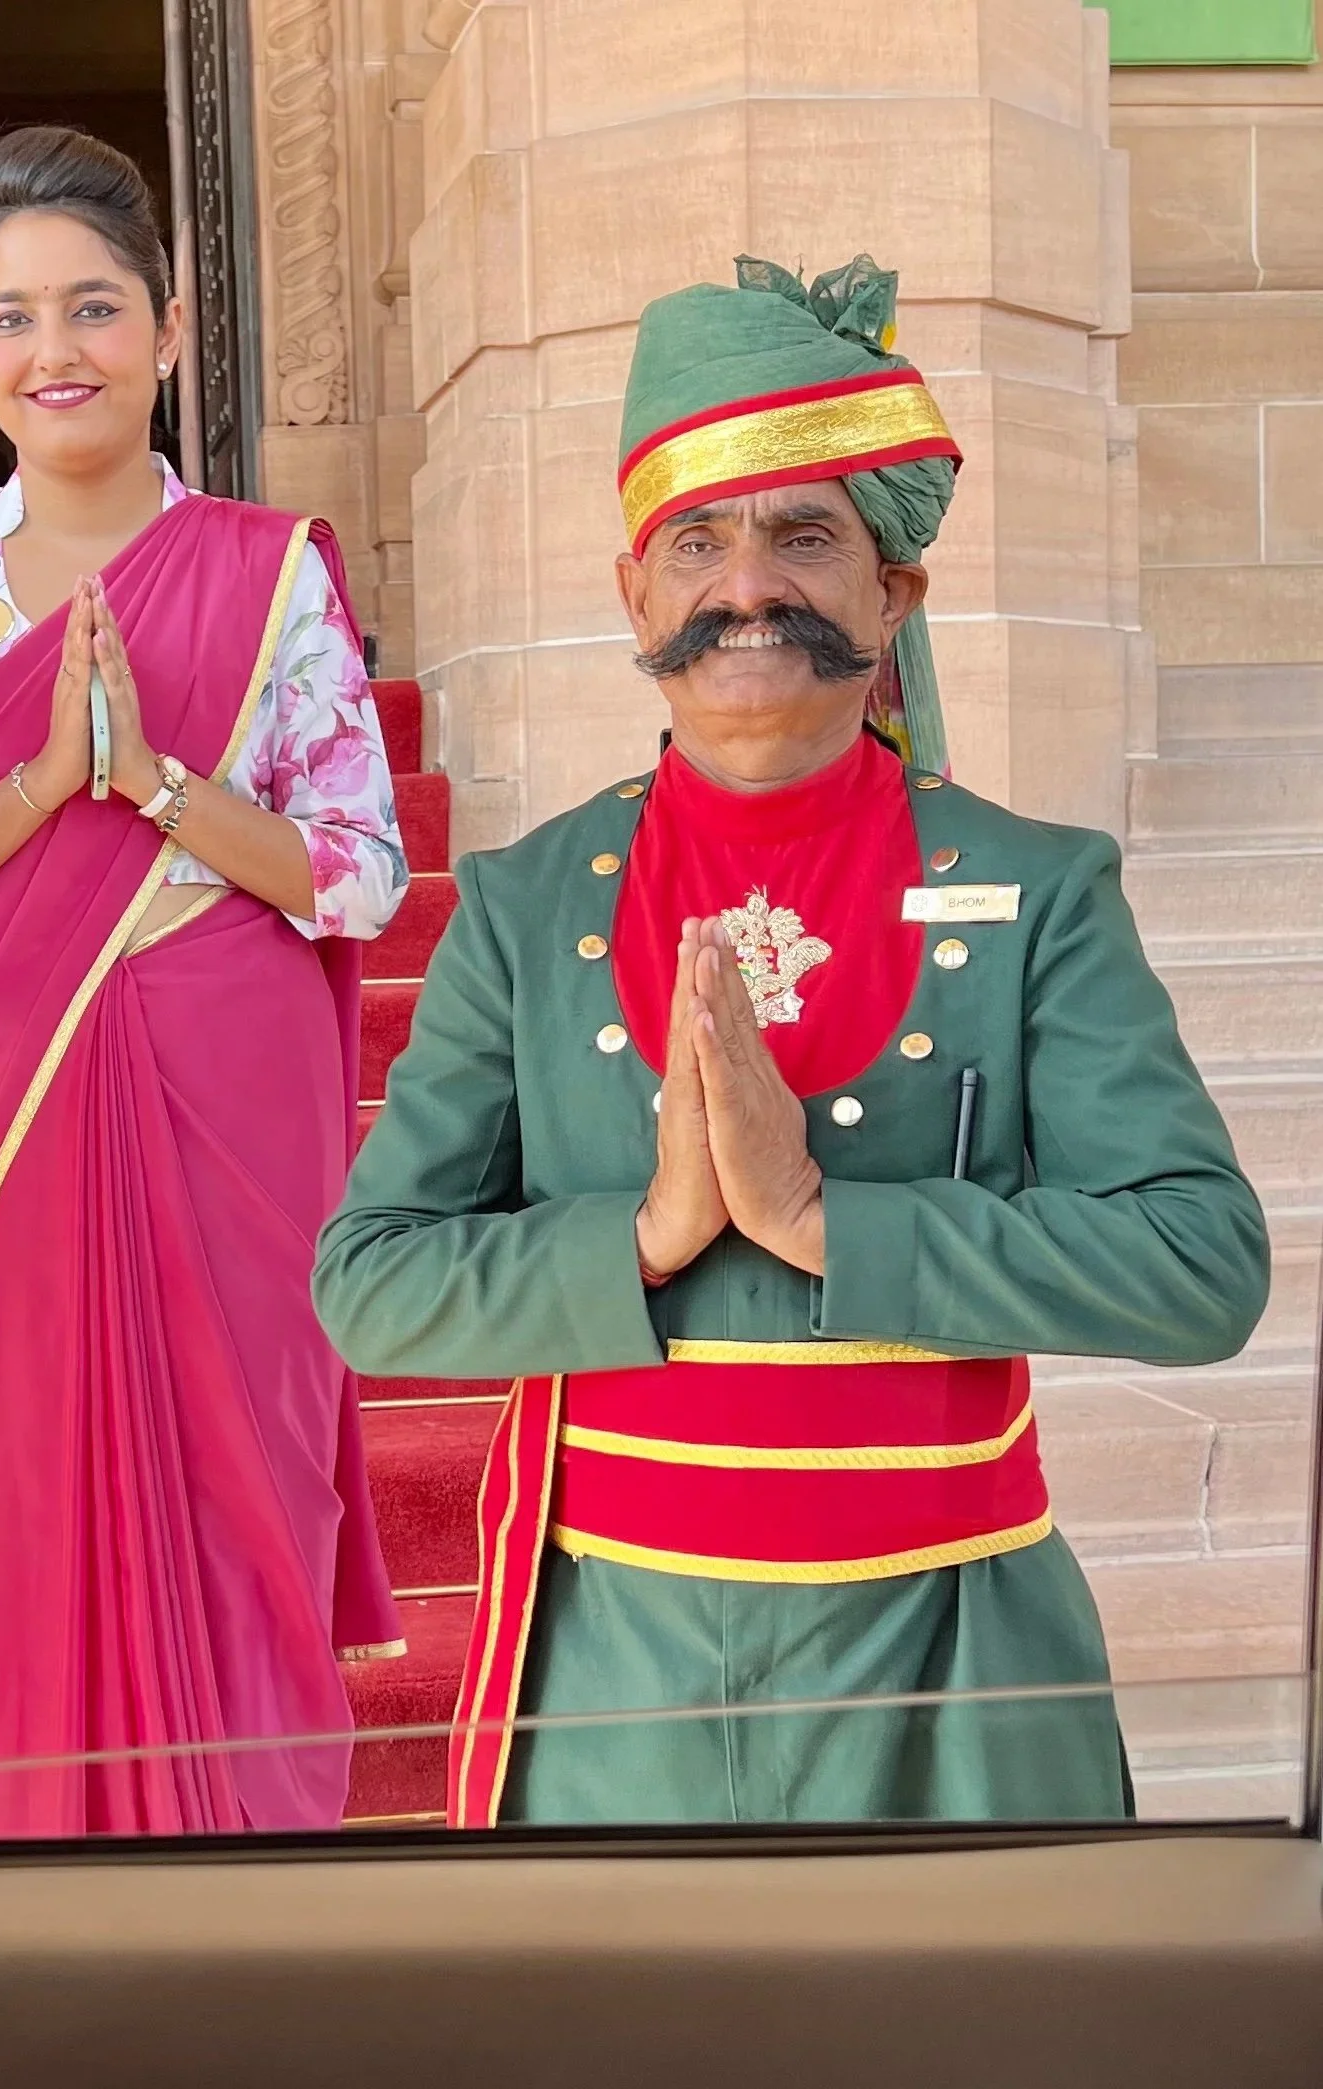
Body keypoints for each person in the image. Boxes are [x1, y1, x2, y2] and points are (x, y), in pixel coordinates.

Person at [312, 256, 1272, 1828]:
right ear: (635, 591)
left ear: (889, 592)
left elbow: (1196, 1267)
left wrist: (829, 1224)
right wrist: (648, 1232)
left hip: (954, 1660)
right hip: (613, 1674)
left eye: (804, 535)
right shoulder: (521, 900)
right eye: (695, 537)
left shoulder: (1034, 888)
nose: (744, 582)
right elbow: (370, 1281)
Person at [0, 127, 410, 1840]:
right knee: (9, 1502)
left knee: (242, 1489)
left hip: (230, 1101)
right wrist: (41, 783)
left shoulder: (272, 569)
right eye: (9, 317)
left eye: (89, 308)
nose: (51, 350)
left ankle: (246, 1898)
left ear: (165, 325)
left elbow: (360, 866)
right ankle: (7, 1906)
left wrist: (154, 785)